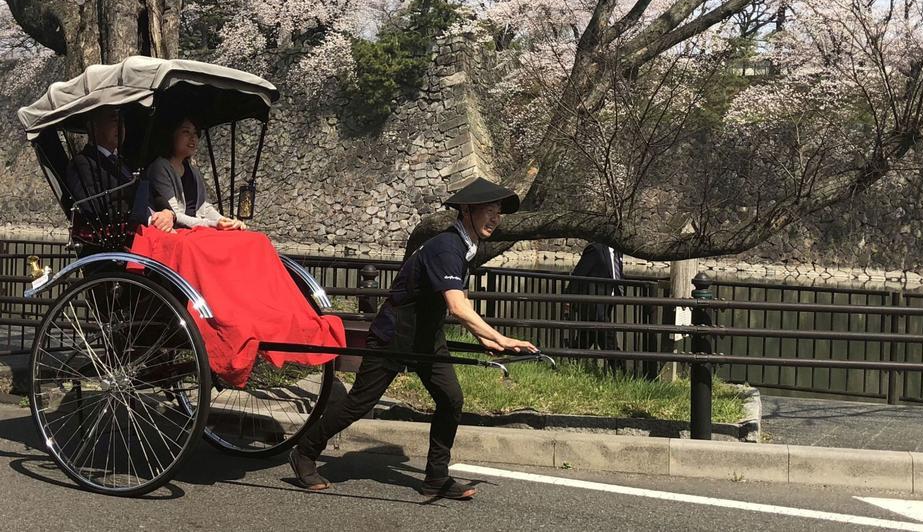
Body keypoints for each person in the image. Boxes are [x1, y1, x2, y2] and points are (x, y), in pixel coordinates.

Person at [290, 176, 538, 500]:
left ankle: (436, 477)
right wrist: (498, 338)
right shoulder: (447, 246)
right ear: (466, 210)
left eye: (498, 212)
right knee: (359, 403)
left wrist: (485, 338)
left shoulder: (466, 247)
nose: (495, 218)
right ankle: (305, 452)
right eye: (489, 210)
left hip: (426, 337)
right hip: (394, 334)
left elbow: (456, 299)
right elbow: (457, 305)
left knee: (451, 399)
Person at [64, 105, 174, 232]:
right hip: (131, 232)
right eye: (114, 120)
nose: (121, 126)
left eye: (122, 121)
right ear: (93, 126)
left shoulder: (126, 162)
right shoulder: (83, 164)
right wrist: (150, 220)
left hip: (157, 226)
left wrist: (168, 213)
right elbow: (95, 209)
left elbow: (154, 193)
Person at [144, 115, 247, 230]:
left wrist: (223, 221)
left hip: (199, 228)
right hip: (178, 230)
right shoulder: (161, 167)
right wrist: (211, 224)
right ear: (172, 134)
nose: (193, 138)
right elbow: (174, 214)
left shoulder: (193, 171)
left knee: (252, 238)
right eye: (186, 132)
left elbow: (204, 207)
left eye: (195, 133)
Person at [563, 241, 624, 373]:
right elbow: (579, 274)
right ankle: (619, 369)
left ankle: (571, 362)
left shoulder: (618, 252)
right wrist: (568, 299)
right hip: (593, 302)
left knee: (588, 335)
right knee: (607, 334)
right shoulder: (595, 249)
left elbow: (616, 273)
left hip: (608, 301)